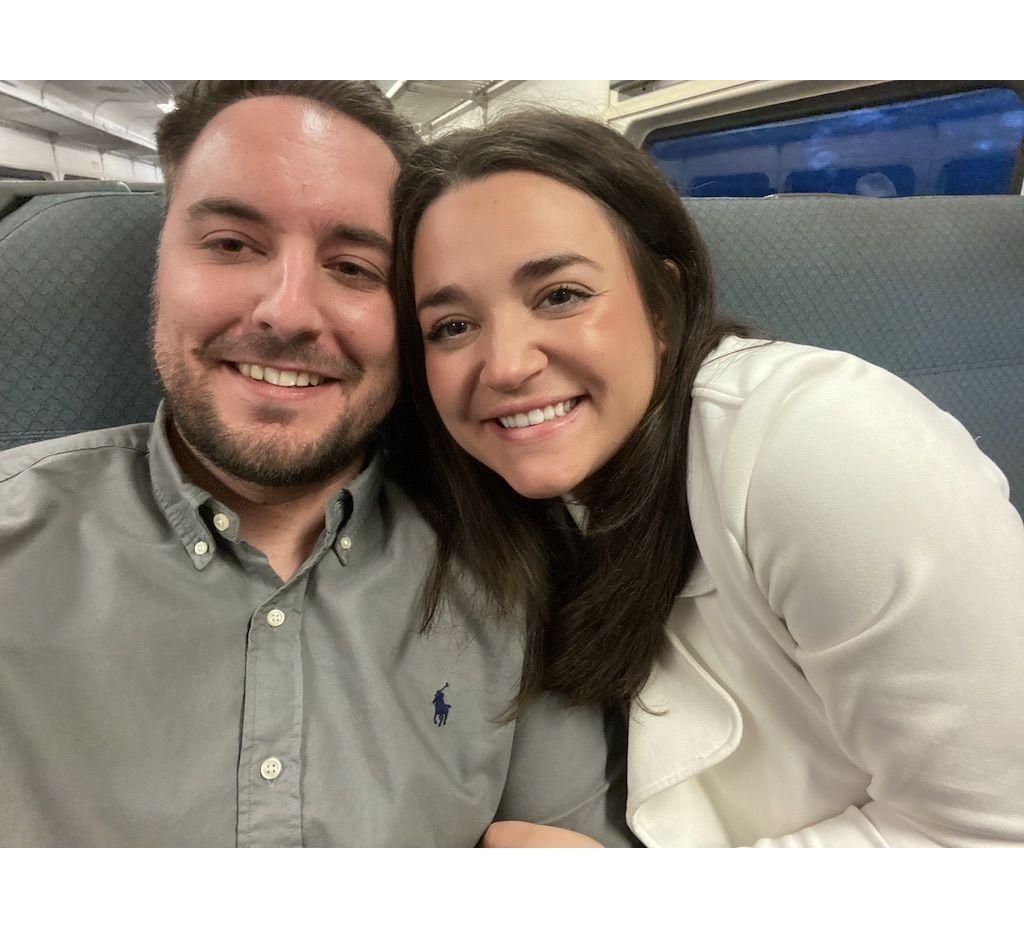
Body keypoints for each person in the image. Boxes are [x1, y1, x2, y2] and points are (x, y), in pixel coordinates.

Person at [0, 84, 633, 848]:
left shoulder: (516, 571)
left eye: (355, 267)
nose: (289, 312)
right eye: (232, 245)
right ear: (160, 264)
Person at [391, 110, 1024, 847]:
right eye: (452, 327)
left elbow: (997, 838)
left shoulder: (821, 442)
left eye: (560, 295)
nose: (504, 366)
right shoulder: (532, 500)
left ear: (663, 305)